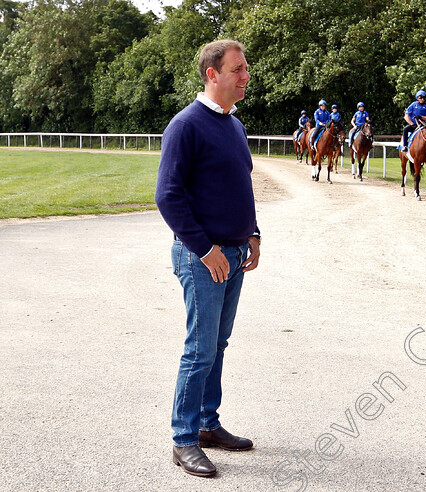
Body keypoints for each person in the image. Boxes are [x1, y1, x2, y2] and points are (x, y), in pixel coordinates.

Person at [155, 39, 261, 478]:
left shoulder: (234, 124)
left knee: (217, 345)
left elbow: (242, 184)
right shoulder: (186, 126)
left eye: (245, 68)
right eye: (237, 69)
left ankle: (206, 424)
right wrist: (206, 249)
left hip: (235, 254)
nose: (245, 76)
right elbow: (168, 197)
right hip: (204, 258)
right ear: (212, 74)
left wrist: (252, 234)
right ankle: (183, 440)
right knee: (199, 350)